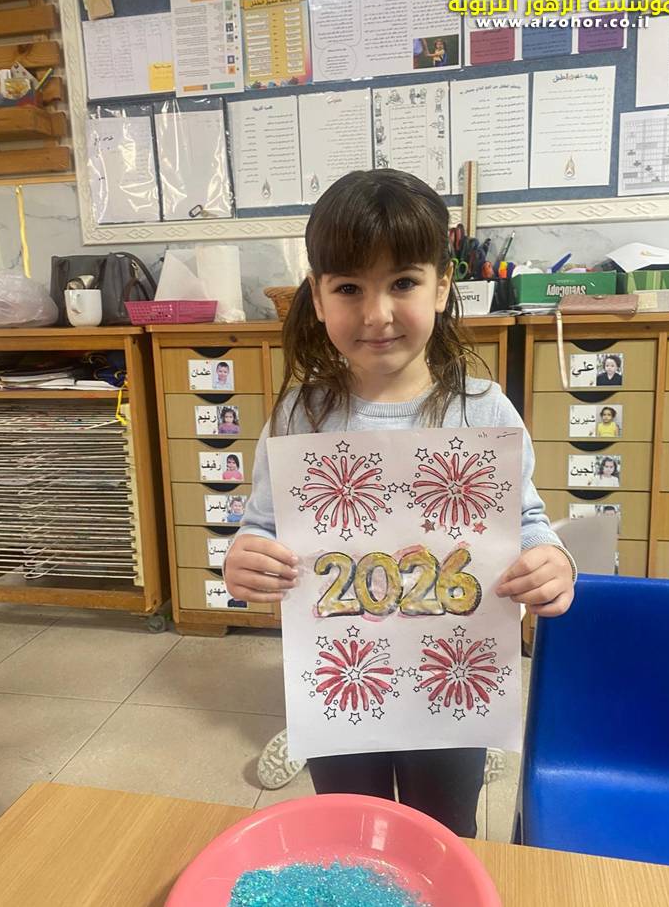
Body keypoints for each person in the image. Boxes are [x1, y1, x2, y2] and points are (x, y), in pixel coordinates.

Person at [222, 169, 576, 838]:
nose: (377, 313)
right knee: (346, 829)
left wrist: (552, 560)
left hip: (451, 686)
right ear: (317, 297)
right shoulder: (299, 417)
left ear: (442, 285)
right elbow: (261, 526)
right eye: (349, 288)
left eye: (404, 283)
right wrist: (243, 559)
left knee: (444, 828)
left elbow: (526, 519)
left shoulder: (483, 411)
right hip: (343, 688)